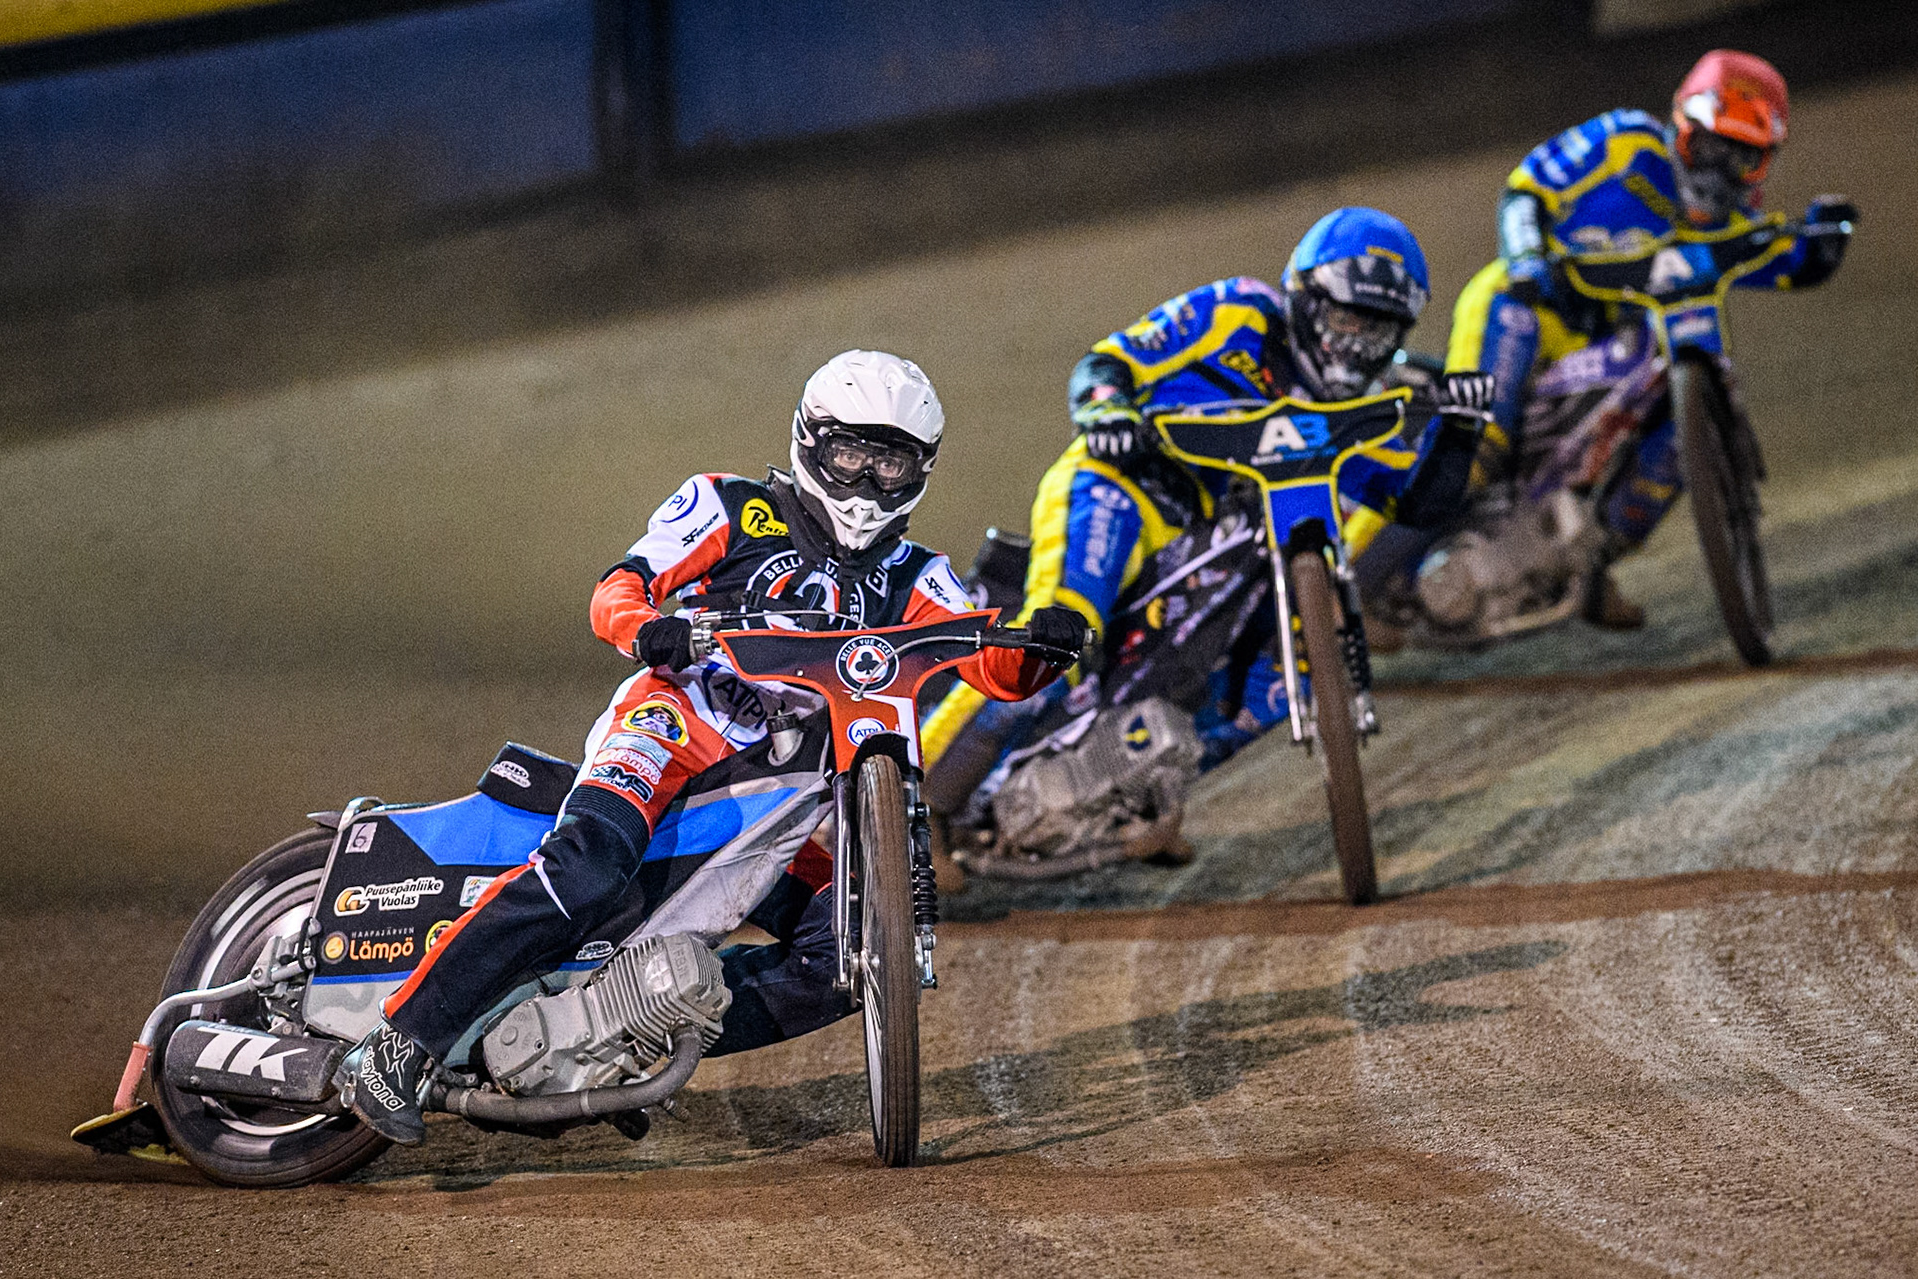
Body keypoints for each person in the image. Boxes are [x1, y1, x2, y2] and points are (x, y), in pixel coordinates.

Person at [342, 350, 1085, 1145]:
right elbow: (618, 588)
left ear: (920, 471)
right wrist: (648, 628)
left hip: (773, 797)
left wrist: (1044, 640)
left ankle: (627, 1035)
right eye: (852, 455)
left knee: (844, 953)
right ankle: (394, 1045)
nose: (868, 482)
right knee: (589, 865)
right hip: (670, 730)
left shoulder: (916, 574)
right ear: (811, 440)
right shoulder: (729, 507)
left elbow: (985, 662)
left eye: (889, 461)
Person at [921, 208, 1491, 823]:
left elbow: (1415, 505)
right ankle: (919, 810)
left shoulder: (1355, 406)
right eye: (1347, 319)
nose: (1355, 345)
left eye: (1377, 332)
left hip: (1228, 536)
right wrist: (1106, 410)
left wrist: (1459, 432)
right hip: (1123, 487)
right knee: (1060, 631)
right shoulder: (1236, 311)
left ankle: (1135, 800)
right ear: (1305, 297)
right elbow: (1109, 363)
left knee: (1280, 678)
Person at [1445, 48, 1856, 626]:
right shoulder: (1623, 141)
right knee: (1479, 449)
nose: (1718, 173)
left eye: (1741, 158)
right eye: (1710, 147)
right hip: (1528, 310)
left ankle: (1586, 563)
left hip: (1614, 349)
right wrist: (1526, 257)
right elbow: (1524, 191)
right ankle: (1391, 538)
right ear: (1680, 126)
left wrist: (1822, 245)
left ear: (1765, 164)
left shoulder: (1732, 226)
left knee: (1681, 434)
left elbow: (1786, 263)